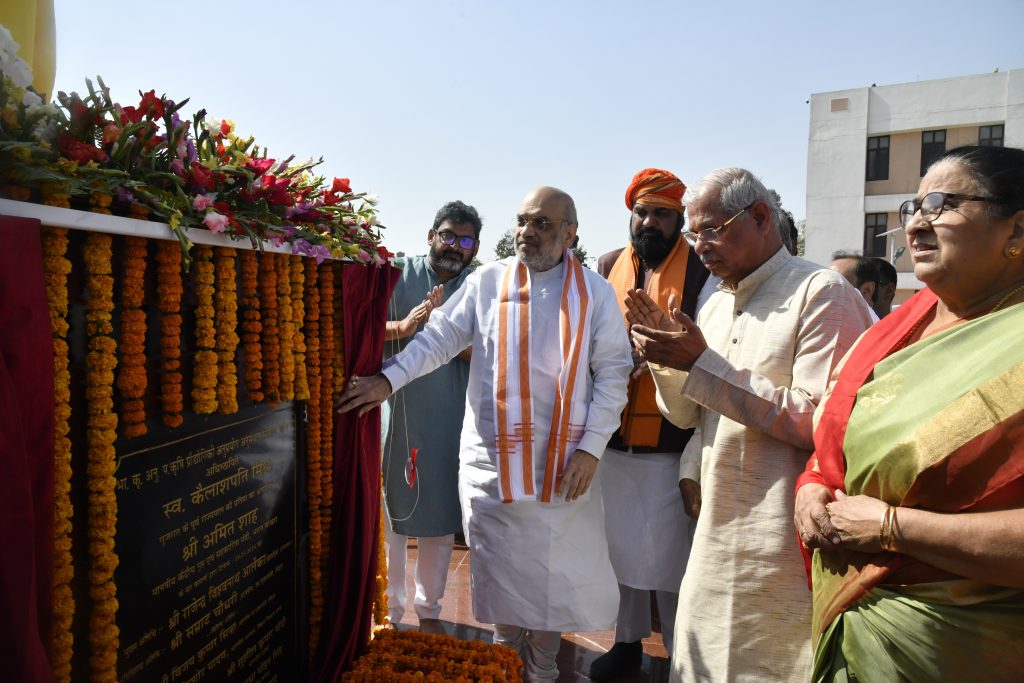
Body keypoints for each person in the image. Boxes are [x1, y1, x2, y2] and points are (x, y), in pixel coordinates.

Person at [338, 186, 633, 682]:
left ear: (570, 233)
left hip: (563, 470)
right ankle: (504, 663)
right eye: (522, 221)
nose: (527, 232)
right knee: (499, 576)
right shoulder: (487, 282)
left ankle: (540, 670)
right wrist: (386, 380)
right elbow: (437, 340)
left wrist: (590, 448)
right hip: (493, 466)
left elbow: (614, 375)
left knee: (550, 582)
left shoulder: (595, 294)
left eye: (542, 223)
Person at [624, 167, 873, 682]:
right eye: (693, 235)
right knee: (701, 661)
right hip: (716, 532)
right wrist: (665, 361)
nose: (700, 247)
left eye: (711, 230)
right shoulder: (713, 302)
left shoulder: (820, 292)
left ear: (761, 217)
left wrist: (699, 364)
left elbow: (815, 420)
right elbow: (689, 415)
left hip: (784, 538)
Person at [795, 145, 1024, 682]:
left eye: (942, 204)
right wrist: (810, 487)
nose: (916, 226)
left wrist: (893, 528)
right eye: (912, 208)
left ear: (1016, 230)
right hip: (851, 624)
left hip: (962, 645)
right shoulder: (896, 330)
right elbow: (834, 446)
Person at [590, 168, 709, 680]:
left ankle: (684, 655)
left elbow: (712, 345)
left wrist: (662, 349)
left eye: (662, 214)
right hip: (615, 440)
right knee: (618, 553)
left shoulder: (704, 271)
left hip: (672, 439)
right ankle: (626, 643)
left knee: (673, 559)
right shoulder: (607, 265)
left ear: (680, 219)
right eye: (642, 212)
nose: (650, 222)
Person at [380, 200, 481, 633]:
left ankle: (429, 610)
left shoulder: (480, 287)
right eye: (447, 236)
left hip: (450, 420)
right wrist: (403, 328)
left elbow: (492, 353)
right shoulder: (394, 274)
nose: (454, 247)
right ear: (430, 236)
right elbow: (362, 329)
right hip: (394, 414)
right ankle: (388, 611)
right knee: (392, 518)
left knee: (439, 518)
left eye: (465, 240)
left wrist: (444, 331)